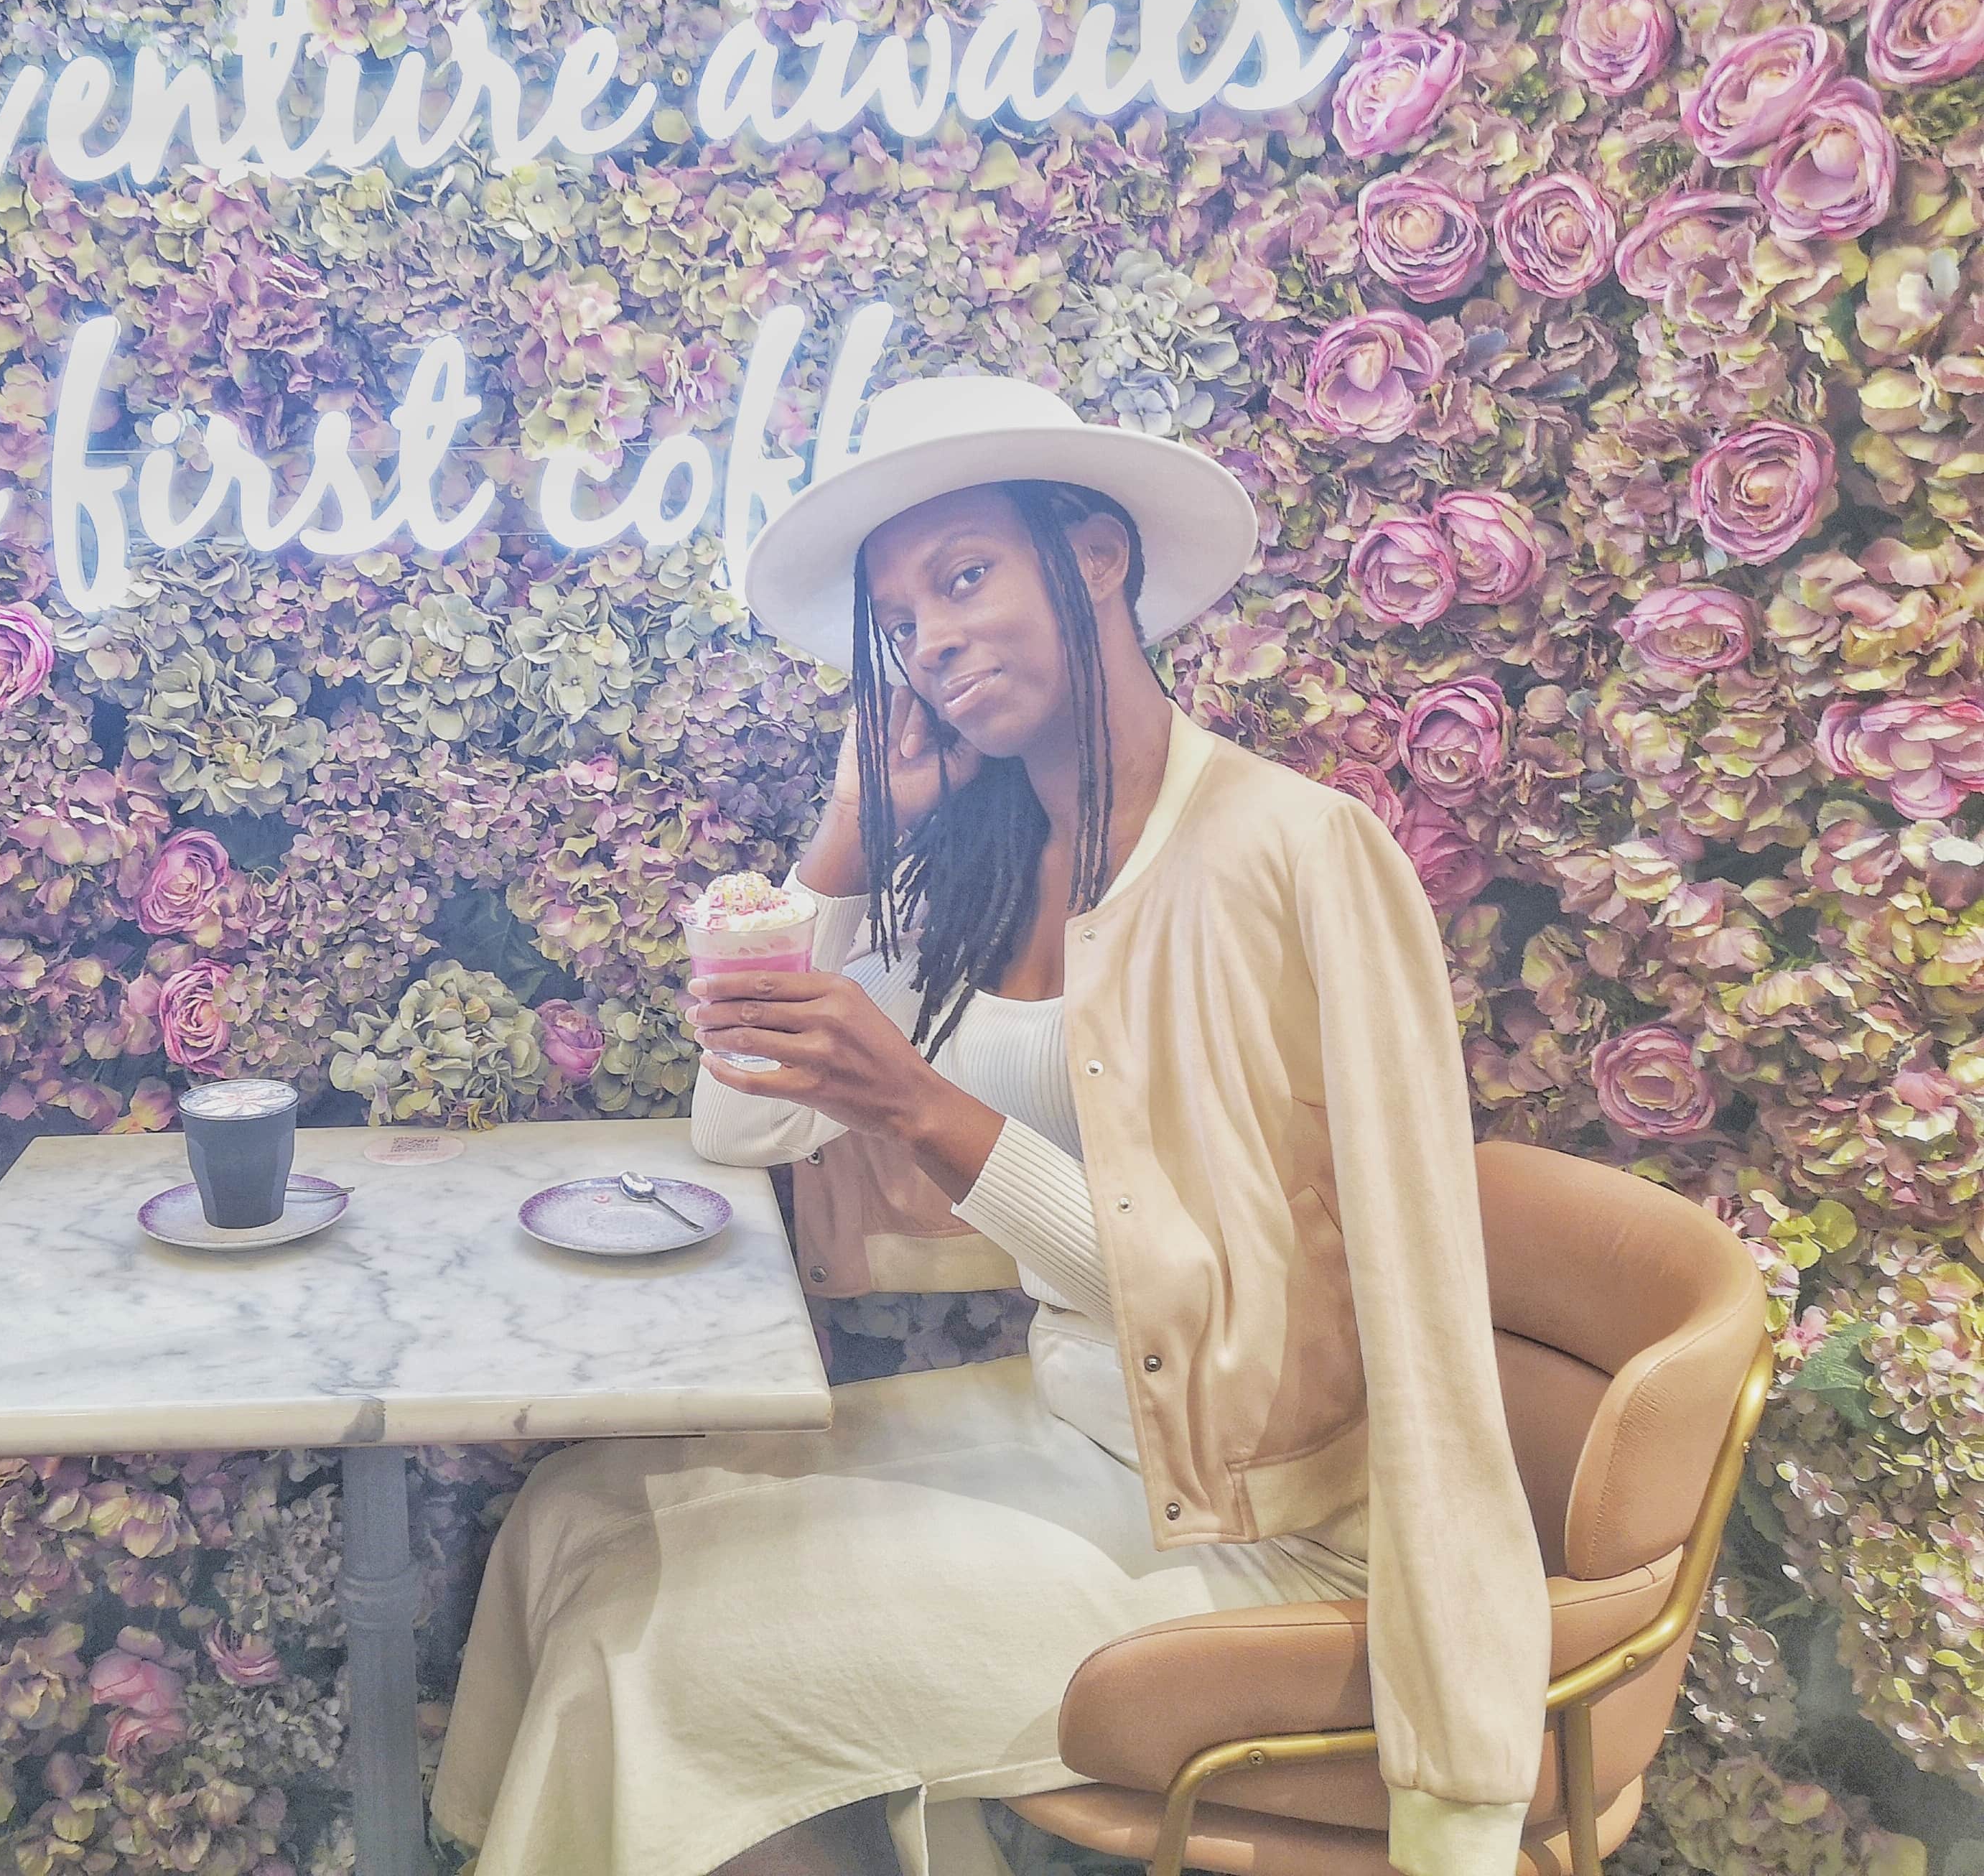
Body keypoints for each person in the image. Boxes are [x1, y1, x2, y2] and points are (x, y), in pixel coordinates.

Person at [428, 375, 1551, 1876]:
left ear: (1094, 555)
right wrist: (851, 832)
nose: (932, 639)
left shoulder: (1293, 855)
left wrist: (915, 1102)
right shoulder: (980, 863)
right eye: (901, 619)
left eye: (964, 576)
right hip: (1071, 1423)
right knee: (570, 1517)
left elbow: (1372, 1306)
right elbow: (740, 1134)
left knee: (655, 1652)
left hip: (1247, 1525)